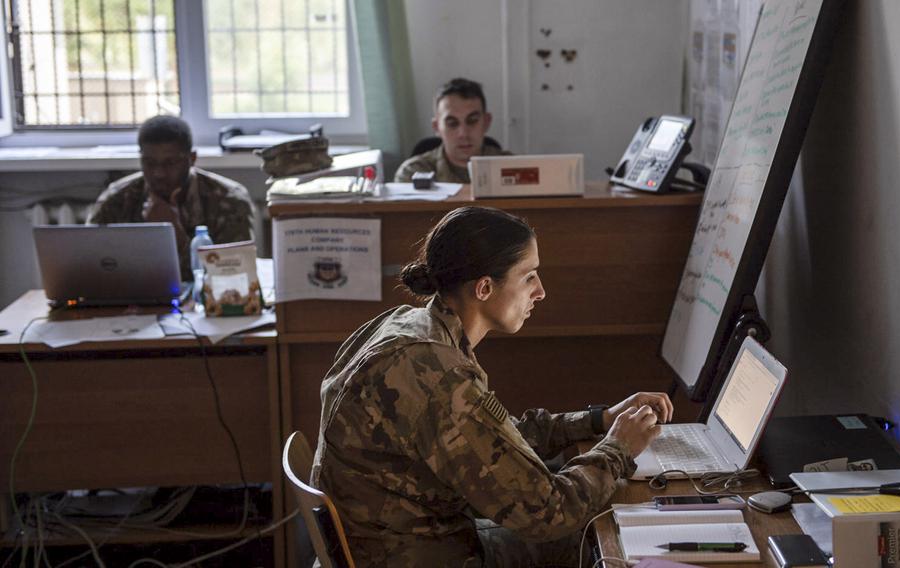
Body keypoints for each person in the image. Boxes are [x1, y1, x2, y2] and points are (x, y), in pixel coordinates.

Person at [311, 206, 673, 567]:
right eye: (529, 277)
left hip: (397, 542)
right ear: (484, 287)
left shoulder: (409, 327)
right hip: (417, 555)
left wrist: (600, 419)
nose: (541, 292)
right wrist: (618, 448)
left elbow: (495, 442)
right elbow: (548, 512)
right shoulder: (438, 374)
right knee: (597, 539)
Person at [87, 115, 255, 281]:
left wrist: (176, 236)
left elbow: (233, 278)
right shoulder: (117, 200)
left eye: (170, 163)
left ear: (192, 159)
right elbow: (91, 268)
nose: (159, 173)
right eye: (150, 163)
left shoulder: (229, 201)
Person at [394, 78, 510, 184]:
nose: (463, 133)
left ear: (486, 122)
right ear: (437, 127)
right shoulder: (412, 173)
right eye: (452, 124)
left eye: (472, 121)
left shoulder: (512, 168)